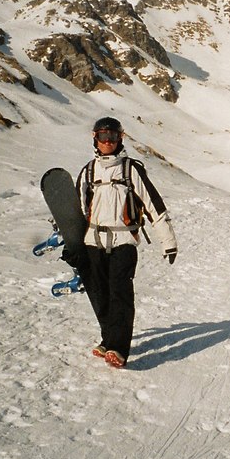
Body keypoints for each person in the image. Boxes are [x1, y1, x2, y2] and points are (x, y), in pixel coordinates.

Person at [71, 116, 177, 368]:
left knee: (120, 293)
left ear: (121, 139)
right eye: (103, 136)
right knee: (100, 294)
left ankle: (119, 348)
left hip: (124, 241)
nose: (108, 142)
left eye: (113, 136)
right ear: (94, 138)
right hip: (93, 240)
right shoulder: (88, 171)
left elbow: (154, 206)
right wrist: (73, 245)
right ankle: (108, 339)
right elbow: (77, 211)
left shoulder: (131, 170)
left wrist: (168, 241)